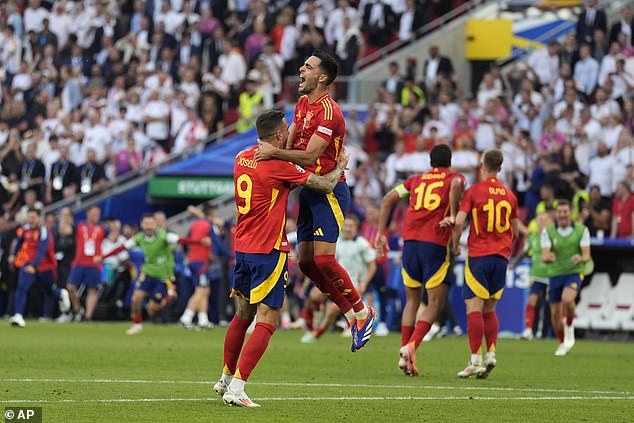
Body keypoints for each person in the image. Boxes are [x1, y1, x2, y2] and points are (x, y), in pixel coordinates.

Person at [213, 110, 348, 408]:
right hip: (268, 250)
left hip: (243, 248)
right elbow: (325, 186)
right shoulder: (278, 166)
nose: (291, 132)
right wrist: (339, 166)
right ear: (276, 137)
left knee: (242, 315)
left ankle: (225, 377)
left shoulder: (241, 157)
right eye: (287, 129)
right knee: (268, 319)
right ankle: (237, 387)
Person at [254, 50, 376, 351]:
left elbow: (310, 155)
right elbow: (293, 141)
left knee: (323, 259)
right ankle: (350, 314)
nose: (300, 69)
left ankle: (362, 311)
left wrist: (274, 154)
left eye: (307, 67)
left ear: (322, 77)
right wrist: (275, 149)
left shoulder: (329, 111)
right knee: (307, 264)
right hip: (310, 189)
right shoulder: (302, 104)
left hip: (330, 191)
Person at [375, 144, 464, 376]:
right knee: (435, 303)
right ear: (450, 161)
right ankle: (411, 346)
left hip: (410, 243)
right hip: (434, 243)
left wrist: (380, 234)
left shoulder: (415, 181)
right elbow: (457, 185)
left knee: (412, 301)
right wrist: (455, 237)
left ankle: (404, 356)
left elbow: (387, 200)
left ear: (430, 162)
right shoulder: (454, 178)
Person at [452, 148, 520, 379]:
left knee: (474, 307)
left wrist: (455, 244)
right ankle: (491, 354)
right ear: (500, 168)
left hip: (479, 255)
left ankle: (474, 360)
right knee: (490, 308)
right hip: (500, 257)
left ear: (482, 166)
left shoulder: (474, 192)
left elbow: (460, 221)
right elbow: (517, 230)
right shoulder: (510, 195)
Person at [96, 214, 202, 335]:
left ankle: (168, 297)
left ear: (156, 225)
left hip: (163, 277)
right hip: (147, 274)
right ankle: (136, 324)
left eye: (151, 224)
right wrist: (103, 257)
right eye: (146, 224)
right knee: (136, 299)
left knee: (151, 309)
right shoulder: (139, 238)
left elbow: (182, 240)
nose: (149, 227)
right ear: (142, 225)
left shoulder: (164, 236)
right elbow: (121, 248)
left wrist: (200, 242)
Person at [301, 216, 377, 344]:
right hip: (334, 280)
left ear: (356, 228)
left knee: (332, 310)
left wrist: (365, 282)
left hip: (354, 283)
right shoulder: (336, 240)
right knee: (313, 295)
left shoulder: (362, 244)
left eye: (350, 226)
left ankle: (317, 334)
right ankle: (308, 321)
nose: (347, 228)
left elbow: (372, 265)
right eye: (345, 225)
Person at [542, 200, 592, 357]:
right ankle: (563, 343)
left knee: (567, 299)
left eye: (565, 211)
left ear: (571, 213)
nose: (562, 214)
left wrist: (580, 259)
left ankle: (569, 326)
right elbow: (544, 255)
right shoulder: (548, 231)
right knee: (555, 314)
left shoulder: (581, 230)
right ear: (556, 214)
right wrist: (548, 257)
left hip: (574, 271)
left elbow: (586, 255)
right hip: (555, 273)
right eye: (560, 212)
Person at [9, 209, 70, 328]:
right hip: (27, 264)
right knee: (22, 287)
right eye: (29, 217)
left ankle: (61, 293)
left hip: (44, 266)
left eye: (33, 217)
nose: (31, 220)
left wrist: (34, 265)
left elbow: (42, 250)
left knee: (49, 291)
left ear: (38, 218)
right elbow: (19, 244)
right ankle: (18, 315)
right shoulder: (25, 230)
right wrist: (13, 255)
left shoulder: (43, 231)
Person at [179, 204, 230, 330]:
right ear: (211, 216)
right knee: (201, 290)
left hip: (192, 260)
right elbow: (217, 243)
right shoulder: (209, 226)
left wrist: (189, 253)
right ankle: (186, 316)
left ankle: (203, 319)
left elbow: (187, 241)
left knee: (205, 290)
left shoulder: (195, 225)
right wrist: (232, 255)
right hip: (201, 262)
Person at [514, 212, 553, 340]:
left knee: (551, 304)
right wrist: (513, 263)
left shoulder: (553, 237)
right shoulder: (532, 237)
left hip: (551, 276)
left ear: (549, 222)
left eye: (544, 219)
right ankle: (529, 330)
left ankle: (550, 332)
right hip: (536, 275)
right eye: (539, 220)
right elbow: (524, 251)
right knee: (532, 302)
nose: (541, 222)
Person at [66, 205, 107, 322]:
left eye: (98, 214)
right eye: (94, 214)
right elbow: (66, 229)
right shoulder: (79, 226)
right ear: (88, 213)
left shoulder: (102, 228)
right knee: (71, 287)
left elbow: (111, 239)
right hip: (79, 262)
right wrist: (66, 215)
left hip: (94, 264)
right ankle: (77, 309)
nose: (96, 216)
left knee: (92, 290)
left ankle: (88, 317)